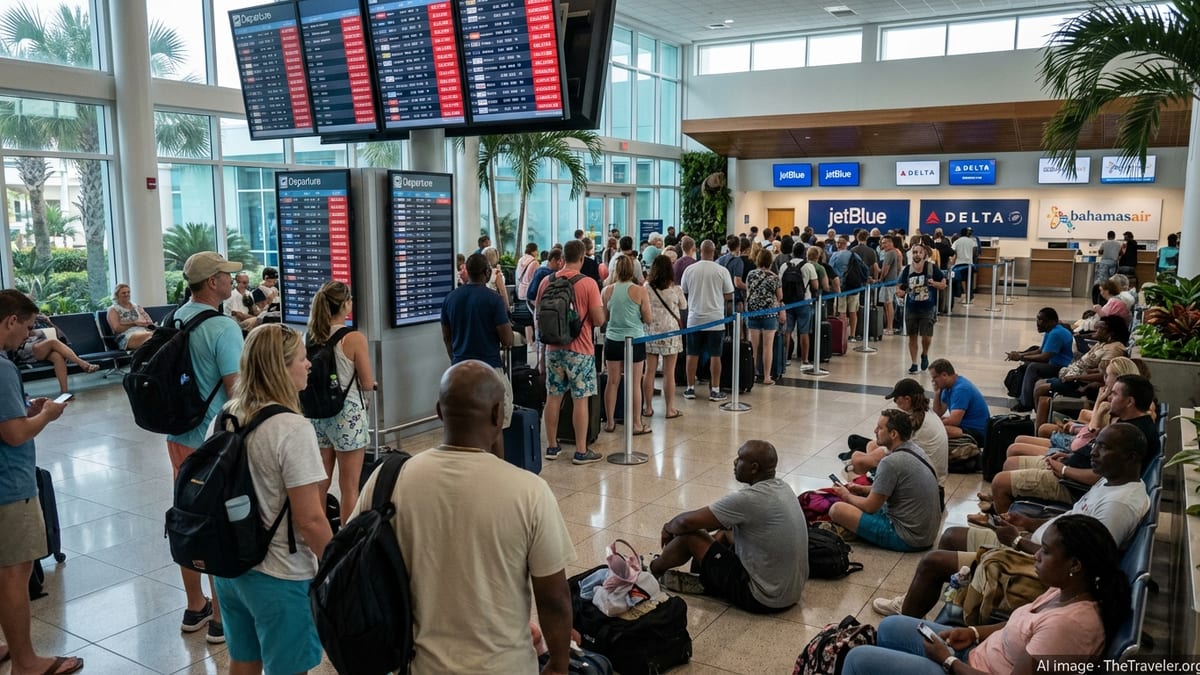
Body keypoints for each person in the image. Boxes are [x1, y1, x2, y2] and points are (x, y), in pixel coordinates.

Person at [354, 361, 574, 673]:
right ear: (498, 415)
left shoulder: (389, 479)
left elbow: (353, 562)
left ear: (439, 412)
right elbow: (553, 598)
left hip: (417, 665)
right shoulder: (530, 492)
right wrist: (559, 663)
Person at [849, 514, 1131, 675]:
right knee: (890, 627)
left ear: (1075, 565)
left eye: (1046, 551)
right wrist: (972, 632)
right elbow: (1017, 625)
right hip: (976, 655)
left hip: (969, 669)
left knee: (857, 659)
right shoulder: (1065, 590)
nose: (1036, 557)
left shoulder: (1068, 626)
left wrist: (947, 661)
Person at [211, 323, 332, 675]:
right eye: (302, 358)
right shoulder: (292, 429)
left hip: (231, 569)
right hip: (279, 575)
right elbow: (309, 519)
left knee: (243, 662)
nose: (309, 364)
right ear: (280, 368)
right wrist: (339, 566)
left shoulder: (225, 416)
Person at [168, 251, 247, 644]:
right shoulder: (223, 327)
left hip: (177, 437)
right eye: (226, 276)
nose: (231, 281)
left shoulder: (174, 318)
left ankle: (193, 604)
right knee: (216, 522)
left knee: (185, 513)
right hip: (214, 441)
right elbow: (236, 392)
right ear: (211, 282)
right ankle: (220, 617)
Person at [0, 290, 79, 675]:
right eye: (27, 328)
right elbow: (14, 434)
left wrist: (26, 410)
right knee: (14, 572)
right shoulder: (0, 367)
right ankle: (26, 662)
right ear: (10, 321)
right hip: (8, 485)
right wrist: (46, 416)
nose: (27, 338)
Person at [648, 440, 807, 613]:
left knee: (690, 537)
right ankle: (704, 578)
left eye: (740, 458)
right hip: (791, 592)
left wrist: (668, 527)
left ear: (754, 468)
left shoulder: (750, 499)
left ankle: (651, 570)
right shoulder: (783, 487)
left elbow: (686, 523)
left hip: (762, 598)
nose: (735, 462)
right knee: (724, 532)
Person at [988, 375, 1158, 514]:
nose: (1108, 397)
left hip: (1073, 486)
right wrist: (1069, 457)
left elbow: (1099, 477)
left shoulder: (1132, 434)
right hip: (1071, 468)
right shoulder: (1129, 422)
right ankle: (1000, 506)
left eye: (1114, 394)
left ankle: (1008, 534)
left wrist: (1063, 470)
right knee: (1011, 462)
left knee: (1000, 482)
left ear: (1129, 402)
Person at [306, 281, 377, 525]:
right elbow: (367, 383)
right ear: (345, 304)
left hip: (317, 414)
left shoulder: (312, 336)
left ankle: (317, 538)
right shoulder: (353, 338)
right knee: (349, 487)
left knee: (320, 483)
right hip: (347, 417)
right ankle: (346, 544)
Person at [829, 410, 942, 551]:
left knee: (837, 510)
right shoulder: (917, 450)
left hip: (908, 538)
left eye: (880, 428)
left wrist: (846, 495)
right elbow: (897, 489)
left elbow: (871, 506)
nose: (875, 430)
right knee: (858, 498)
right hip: (926, 534)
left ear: (894, 434)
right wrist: (862, 489)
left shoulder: (890, 462)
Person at [536, 240, 605, 464]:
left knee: (552, 398)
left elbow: (539, 313)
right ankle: (581, 450)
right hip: (581, 349)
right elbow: (598, 319)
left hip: (552, 348)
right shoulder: (588, 284)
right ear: (582, 258)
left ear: (562, 257)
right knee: (580, 400)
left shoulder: (547, 280)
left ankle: (552, 447)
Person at [442, 254, 514, 456]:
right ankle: (496, 469)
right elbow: (507, 340)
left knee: (463, 426)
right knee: (496, 425)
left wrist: (455, 360)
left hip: (458, 371)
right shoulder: (494, 300)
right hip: (489, 370)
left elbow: (446, 337)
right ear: (487, 273)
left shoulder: (451, 298)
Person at [845, 379, 948, 488]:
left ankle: (870, 475)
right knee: (868, 445)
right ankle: (871, 471)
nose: (895, 402)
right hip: (934, 476)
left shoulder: (913, 423)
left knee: (856, 458)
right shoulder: (925, 412)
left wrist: (864, 460)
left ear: (907, 399)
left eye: (896, 399)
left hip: (923, 481)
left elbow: (883, 453)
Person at [1032, 316, 1129, 427]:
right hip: (1075, 376)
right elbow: (1098, 368)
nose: (1095, 329)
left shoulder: (1114, 349)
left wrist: (1077, 377)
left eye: (1100, 328)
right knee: (1038, 383)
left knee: (1040, 389)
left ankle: (1039, 426)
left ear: (1110, 332)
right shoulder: (1102, 343)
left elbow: (1105, 375)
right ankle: (1038, 419)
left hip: (1082, 384)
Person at [601, 255, 652, 435]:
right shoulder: (640, 291)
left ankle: (609, 422)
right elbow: (648, 318)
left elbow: (604, 318)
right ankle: (636, 423)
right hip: (635, 340)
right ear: (632, 270)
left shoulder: (607, 291)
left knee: (612, 382)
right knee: (634, 382)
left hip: (613, 340)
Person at [681, 240, 734, 403]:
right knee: (715, 355)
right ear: (714, 251)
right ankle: (715, 389)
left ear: (699, 250)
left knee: (692, 353)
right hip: (715, 319)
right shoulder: (722, 270)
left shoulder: (690, 270)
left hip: (694, 318)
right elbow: (729, 295)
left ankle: (690, 388)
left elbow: (684, 291)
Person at [9, 311, 98, 393]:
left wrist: (48, 322)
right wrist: (32, 331)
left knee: (57, 356)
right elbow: (21, 337)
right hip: (26, 348)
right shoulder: (19, 320)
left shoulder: (39, 319)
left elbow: (59, 334)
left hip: (42, 346)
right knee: (53, 342)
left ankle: (64, 392)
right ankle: (83, 364)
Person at [642, 255, 686, 420]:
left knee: (649, 371)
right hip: (671, 333)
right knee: (669, 373)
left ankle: (648, 408)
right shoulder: (676, 289)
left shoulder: (646, 287)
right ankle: (669, 409)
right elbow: (684, 306)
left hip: (651, 332)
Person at [1006, 308, 1074, 412]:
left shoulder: (1056, 333)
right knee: (1031, 354)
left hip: (1061, 367)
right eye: (1038, 319)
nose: (1038, 323)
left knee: (1033, 367)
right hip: (1054, 362)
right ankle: (1021, 392)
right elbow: (1039, 351)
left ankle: (1026, 403)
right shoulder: (1051, 330)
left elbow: (1044, 356)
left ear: (1052, 322)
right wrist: (1021, 354)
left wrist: (1020, 357)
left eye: (1042, 320)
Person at [896, 242, 947, 374]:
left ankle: (924, 354)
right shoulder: (907, 270)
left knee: (926, 336)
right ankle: (914, 363)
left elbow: (943, 285)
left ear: (924, 254)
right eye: (914, 252)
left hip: (928, 308)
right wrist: (901, 292)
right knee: (912, 336)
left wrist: (933, 283)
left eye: (919, 252)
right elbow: (899, 287)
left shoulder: (932, 268)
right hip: (911, 307)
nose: (916, 255)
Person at [929, 359, 990, 444]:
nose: (933, 381)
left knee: (941, 430)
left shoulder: (961, 389)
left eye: (935, 377)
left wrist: (934, 424)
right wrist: (937, 393)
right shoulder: (947, 387)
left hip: (978, 432)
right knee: (939, 423)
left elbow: (954, 421)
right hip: (965, 425)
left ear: (944, 375)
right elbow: (938, 412)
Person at [745, 249, 783, 385]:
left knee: (754, 347)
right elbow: (780, 297)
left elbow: (748, 291)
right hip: (769, 314)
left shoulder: (751, 274)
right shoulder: (774, 277)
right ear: (770, 262)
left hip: (753, 313)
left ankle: (752, 374)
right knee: (768, 346)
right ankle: (767, 376)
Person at [107, 282, 156, 350]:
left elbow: (149, 321)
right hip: (126, 336)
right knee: (154, 336)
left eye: (128, 292)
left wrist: (147, 323)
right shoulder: (113, 310)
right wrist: (134, 323)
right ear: (117, 295)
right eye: (123, 293)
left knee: (159, 335)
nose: (127, 294)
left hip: (144, 331)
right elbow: (117, 328)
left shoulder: (137, 307)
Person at [877, 235, 902, 336]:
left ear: (891, 243)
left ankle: (890, 327)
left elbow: (885, 269)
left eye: (885, 242)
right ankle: (889, 326)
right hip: (892, 281)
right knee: (887, 304)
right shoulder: (896, 252)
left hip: (888, 282)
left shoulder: (889, 253)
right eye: (882, 243)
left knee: (888, 304)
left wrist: (881, 279)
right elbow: (899, 268)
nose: (884, 245)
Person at [951, 228, 977, 300]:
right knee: (969, 281)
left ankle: (960, 295)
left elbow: (952, 251)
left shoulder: (956, 242)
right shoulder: (972, 241)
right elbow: (975, 252)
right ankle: (969, 296)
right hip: (969, 264)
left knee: (959, 281)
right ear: (967, 234)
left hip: (958, 264)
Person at [482, 246, 510, 312]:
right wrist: (508, 309)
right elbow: (503, 292)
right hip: (494, 303)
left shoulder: (482, 272)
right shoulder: (496, 273)